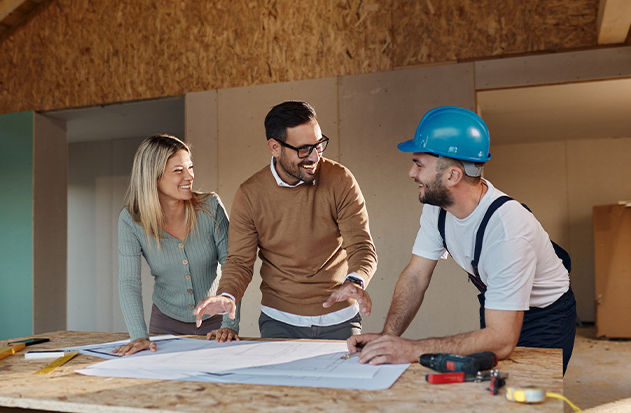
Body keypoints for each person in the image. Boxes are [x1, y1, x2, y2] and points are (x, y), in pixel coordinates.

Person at [347, 106, 577, 374]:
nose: (411, 173)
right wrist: (388, 339)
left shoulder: (507, 230)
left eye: (419, 164)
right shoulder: (437, 208)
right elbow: (416, 276)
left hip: (545, 317)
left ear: (453, 175)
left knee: (523, 402)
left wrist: (411, 350)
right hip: (497, 307)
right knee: (491, 390)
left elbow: (502, 339)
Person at [192, 101, 377, 340]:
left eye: (319, 145)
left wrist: (355, 280)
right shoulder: (250, 194)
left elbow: (362, 246)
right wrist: (227, 295)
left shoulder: (340, 179)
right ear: (275, 147)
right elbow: (239, 261)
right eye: (303, 149)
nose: (314, 157)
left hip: (340, 317)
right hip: (279, 320)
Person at [112, 134, 239, 356]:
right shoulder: (131, 220)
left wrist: (229, 325)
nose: (189, 176)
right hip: (164, 325)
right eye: (178, 170)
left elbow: (233, 263)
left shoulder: (210, 207)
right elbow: (129, 282)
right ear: (153, 176)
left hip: (215, 325)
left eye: (190, 167)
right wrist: (139, 336)